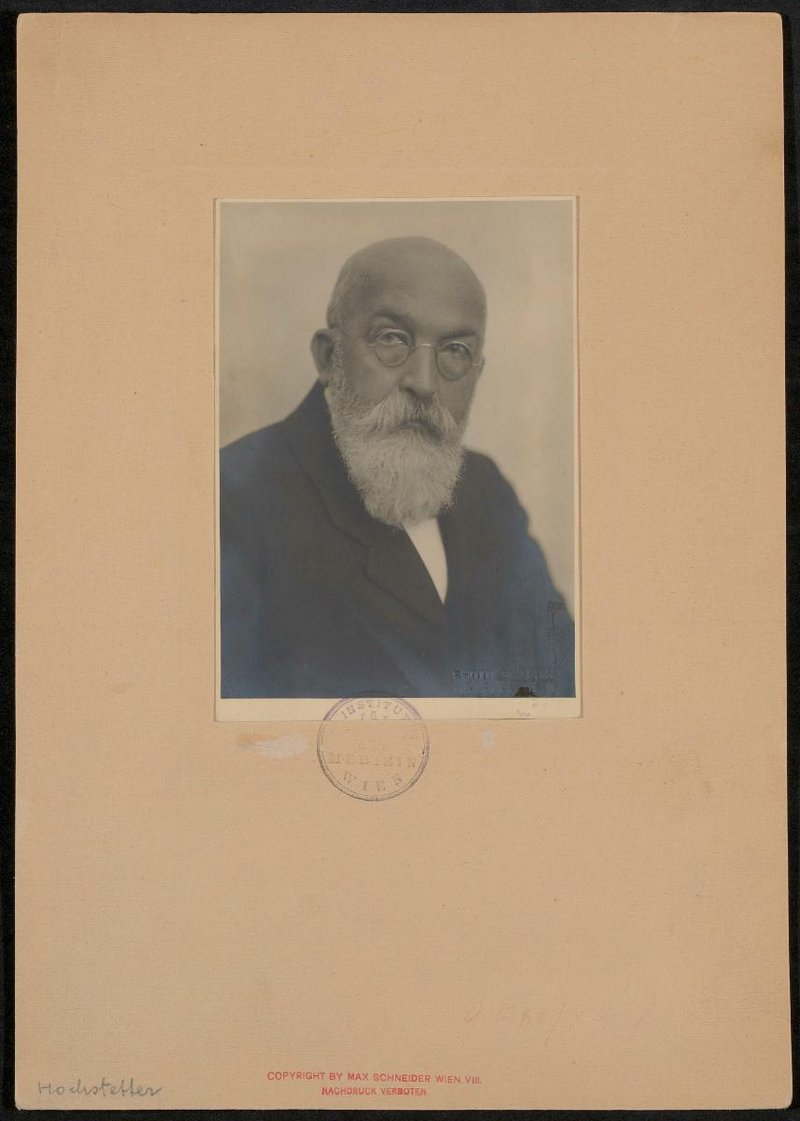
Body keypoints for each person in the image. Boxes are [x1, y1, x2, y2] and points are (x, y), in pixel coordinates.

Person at [220, 236, 575, 698]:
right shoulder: (233, 500)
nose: (424, 383)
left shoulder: (485, 492)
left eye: (455, 351)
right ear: (328, 357)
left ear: (477, 373)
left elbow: (558, 682)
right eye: (391, 339)